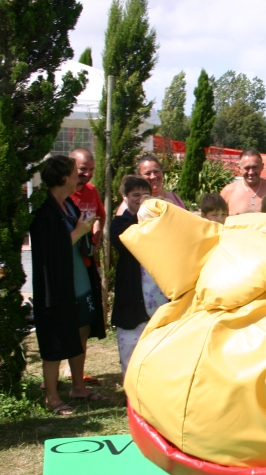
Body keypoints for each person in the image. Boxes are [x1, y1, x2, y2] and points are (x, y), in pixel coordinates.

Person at [29, 155, 107, 415]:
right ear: (63, 178)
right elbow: (46, 252)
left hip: (79, 280)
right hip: (57, 286)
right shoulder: (44, 210)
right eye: (75, 172)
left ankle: (77, 386)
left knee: (81, 331)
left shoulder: (68, 205)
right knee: (54, 338)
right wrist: (78, 233)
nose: (80, 177)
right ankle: (51, 397)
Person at [110, 176, 168, 377]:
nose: (141, 199)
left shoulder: (161, 223)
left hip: (158, 301)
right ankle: (132, 398)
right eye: (135, 195)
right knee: (130, 353)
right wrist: (142, 217)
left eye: (146, 195)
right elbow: (122, 241)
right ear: (124, 197)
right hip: (131, 303)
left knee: (159, 352)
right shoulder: (119, 224)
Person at [64, 148, 104, 383]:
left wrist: (95, 241)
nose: (87, 174)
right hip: (67, 266)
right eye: (82, 169)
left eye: (91, 170)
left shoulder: (91, 191)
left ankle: (74, 372)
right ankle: (59, 369)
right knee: (64, 319)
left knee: (84, 321)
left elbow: (100, 216)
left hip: (87, 262)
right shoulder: (64, 196)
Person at [220, 149, 266, 216]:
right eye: (247, 168)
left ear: (262, 166)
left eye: (255, 167)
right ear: (239, 168)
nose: (251, 172)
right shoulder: (228, 192)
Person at [116, 154, 185, 215]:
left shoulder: (175, 197)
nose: (153, 176)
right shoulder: (132, 204)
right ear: (139, 176)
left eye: (156, 171)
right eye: (147, 173)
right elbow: (121, 228)